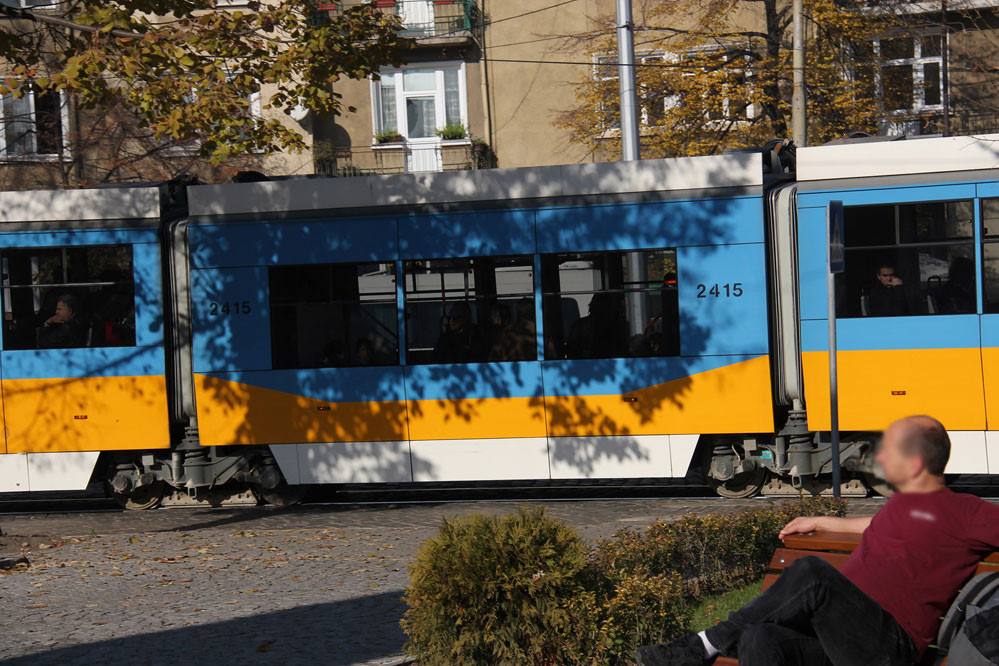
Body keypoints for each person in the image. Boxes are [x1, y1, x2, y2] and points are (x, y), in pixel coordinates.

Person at [635, 415, 999, 666]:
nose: (880, 455)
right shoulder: (905, 505)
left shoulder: (969, 513)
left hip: (887, 648)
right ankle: (709, 644)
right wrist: (823, 520)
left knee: (812, 572)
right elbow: (880, 526)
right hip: (840, 640)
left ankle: (702, 646)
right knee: (759, 638)